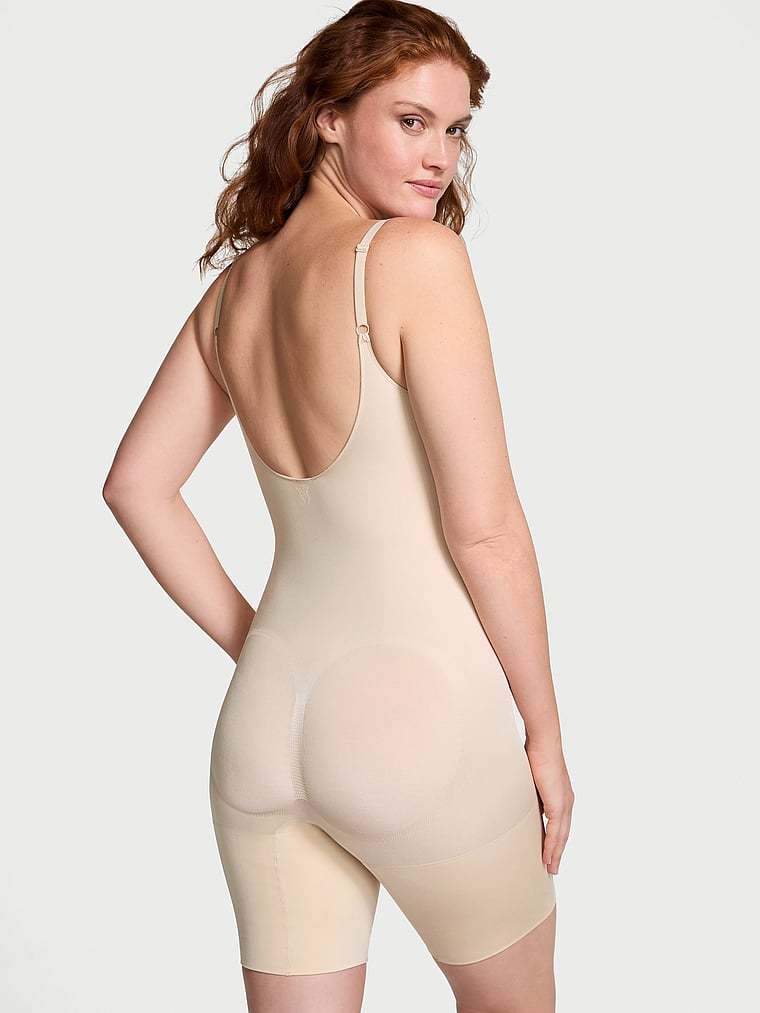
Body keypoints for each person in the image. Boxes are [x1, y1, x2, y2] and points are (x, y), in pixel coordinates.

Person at [103, 1, 575, 1010]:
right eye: (410, 121)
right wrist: (543, 729)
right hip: (419, 717)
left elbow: (136, 486)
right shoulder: (413, 258)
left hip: (264, 732)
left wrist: (261, 644)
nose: (440, 156)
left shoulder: (232, 298)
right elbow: (485, 528)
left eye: (456, 128)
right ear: (328, 117)